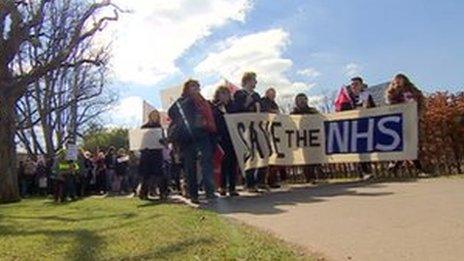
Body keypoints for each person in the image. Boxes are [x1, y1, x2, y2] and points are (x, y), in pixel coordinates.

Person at [168, 79, 217, 204]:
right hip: (188, 137)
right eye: (193, 86)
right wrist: (189, 101)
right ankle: (193, 193)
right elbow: (172, 113)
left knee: (207, 162)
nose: (196, 89)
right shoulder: (181, 101)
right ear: (187, 89)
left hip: (203, 134)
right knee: (190, 166)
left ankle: (210, 191)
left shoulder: (203, 102)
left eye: (197, 86)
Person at [385, 73, 426, 176]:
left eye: (400, 79)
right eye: (396, 80)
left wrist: (419, 114)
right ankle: (418, 169)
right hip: (400, 120)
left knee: (412, 144)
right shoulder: (392, 91)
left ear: (405, 80)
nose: (398, 81)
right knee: (406, 144)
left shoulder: (413, 90)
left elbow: (421, 101)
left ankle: (395, 166)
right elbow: (390, 103)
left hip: (413, 118)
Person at [335, 77, 375, 179]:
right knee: (358, 150)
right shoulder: (346, 97)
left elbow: (374, 109)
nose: (354, 86)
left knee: (366, 150)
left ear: (361, 85)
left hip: (365, 125)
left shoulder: (367, 96)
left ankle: (367, 171)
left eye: (356, 84)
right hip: (353, 127)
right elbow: (342, 111)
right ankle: (363, 172)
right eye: (352, 84)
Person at [232, 72, 266, 192]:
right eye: (254, 80)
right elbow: (236, 111)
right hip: (245, 129)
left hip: (257, 128)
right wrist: (247, 102)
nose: (255, 83)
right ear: (247, 81)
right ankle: (250, 183)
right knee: (249, 155)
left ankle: (260, 181)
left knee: (262, 153)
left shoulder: (257, 95)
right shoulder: (239, 94)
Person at [212, 86, 239, 197]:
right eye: (222, 94)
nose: (224, 96)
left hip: (233, 137)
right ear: (218, 95)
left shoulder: (233, 107)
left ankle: (232, 187)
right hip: (222, 139)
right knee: (223, 163)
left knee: (233, 163)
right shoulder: (215, 108)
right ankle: (222, 186)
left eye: (226, 93)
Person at [291, 93, 321, 183]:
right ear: (296, 102)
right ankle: (310, 177)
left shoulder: (313, 111)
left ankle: (315, 175)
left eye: (303, 100)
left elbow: (320, 120)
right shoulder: (293, 113)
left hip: (313, 138)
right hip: (301, 139)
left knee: (314, 157)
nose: (302, 102)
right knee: (305, 159)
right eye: (299, 100)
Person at [138, 110, 168, 200]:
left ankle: (163, 193)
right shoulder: (144, 127)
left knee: (160, 174)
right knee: (146, 175)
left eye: (156, 116)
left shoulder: (160, 127)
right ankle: (143, 193)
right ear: (150, 116)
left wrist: (164, 142)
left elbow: (163, 141)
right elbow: (140, 141)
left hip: (157, 153)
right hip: (146, 153)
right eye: (153, 115)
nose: (155, 117)